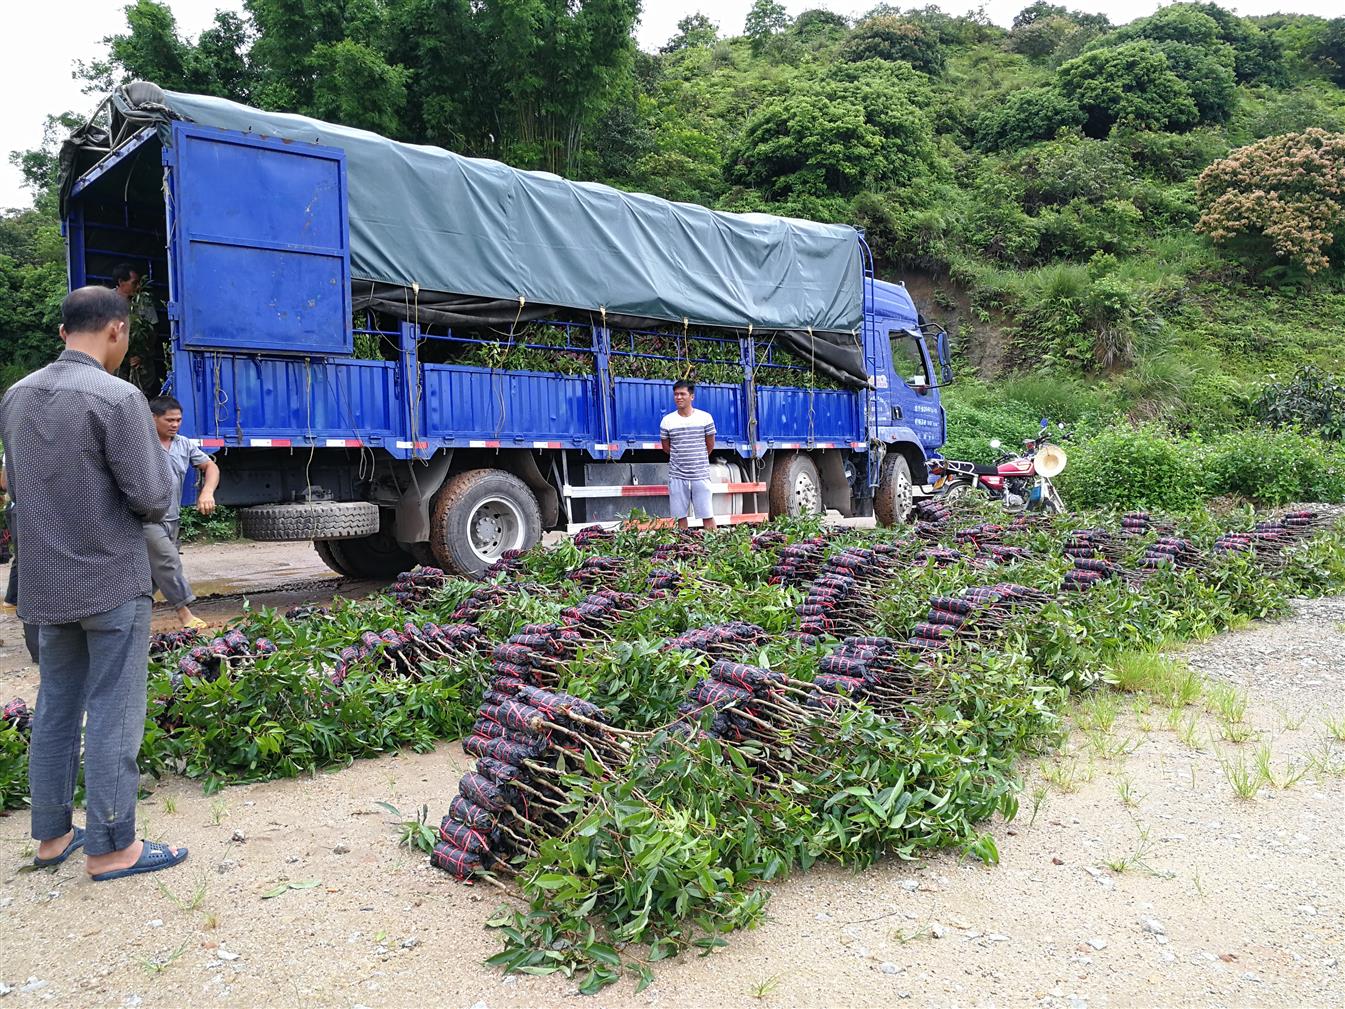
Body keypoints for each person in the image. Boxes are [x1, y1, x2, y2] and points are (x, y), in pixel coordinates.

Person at [0, 285, 188, 881]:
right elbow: (154, 498)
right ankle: (111, 848)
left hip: (45, 586)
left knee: (55, 704)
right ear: (116, 330)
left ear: (62, 332)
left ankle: (53, 838)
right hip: (109, 582)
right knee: (114, 708)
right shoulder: (117, 397)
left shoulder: (16, 396)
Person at [145, 395, 219, 630]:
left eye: (178, 420)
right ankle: (185, 614)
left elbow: (210, 466)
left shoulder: (184, 444)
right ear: (153, 418)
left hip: (172, 519)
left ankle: (133, 618)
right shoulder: (140, 444)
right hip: (147, 518)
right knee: (168, 562)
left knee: (153, 575)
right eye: (169, 420)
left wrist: (207, 492)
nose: (175, 424)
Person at [659, 379, 717, 531]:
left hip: (700, 475)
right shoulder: (667, 421)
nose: (678, 397)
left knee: (707, 515)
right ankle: (683, 547)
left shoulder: (705, 418)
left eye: (682, 394)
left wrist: (697, 458)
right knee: (680, 518)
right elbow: (666, 448)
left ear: (692, 396)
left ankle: (715, 547)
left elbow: (709, 446)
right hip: (677, 475)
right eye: (676, 394)